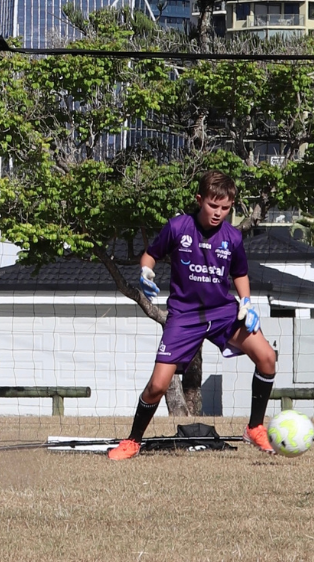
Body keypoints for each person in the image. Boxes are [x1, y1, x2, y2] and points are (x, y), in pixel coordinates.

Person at [108, 171, 277, 460]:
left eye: (225, 208)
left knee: (267, 357)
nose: (218, 213)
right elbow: (150, 255)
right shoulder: (178, 227)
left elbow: (240, 272)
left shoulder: (233, 237)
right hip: (184, 316)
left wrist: (246, 303)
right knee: (157, 386)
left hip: (223, 312)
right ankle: (133, 441)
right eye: (213, 206)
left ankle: (255, 427)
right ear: (200, 200)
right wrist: (146, 272)